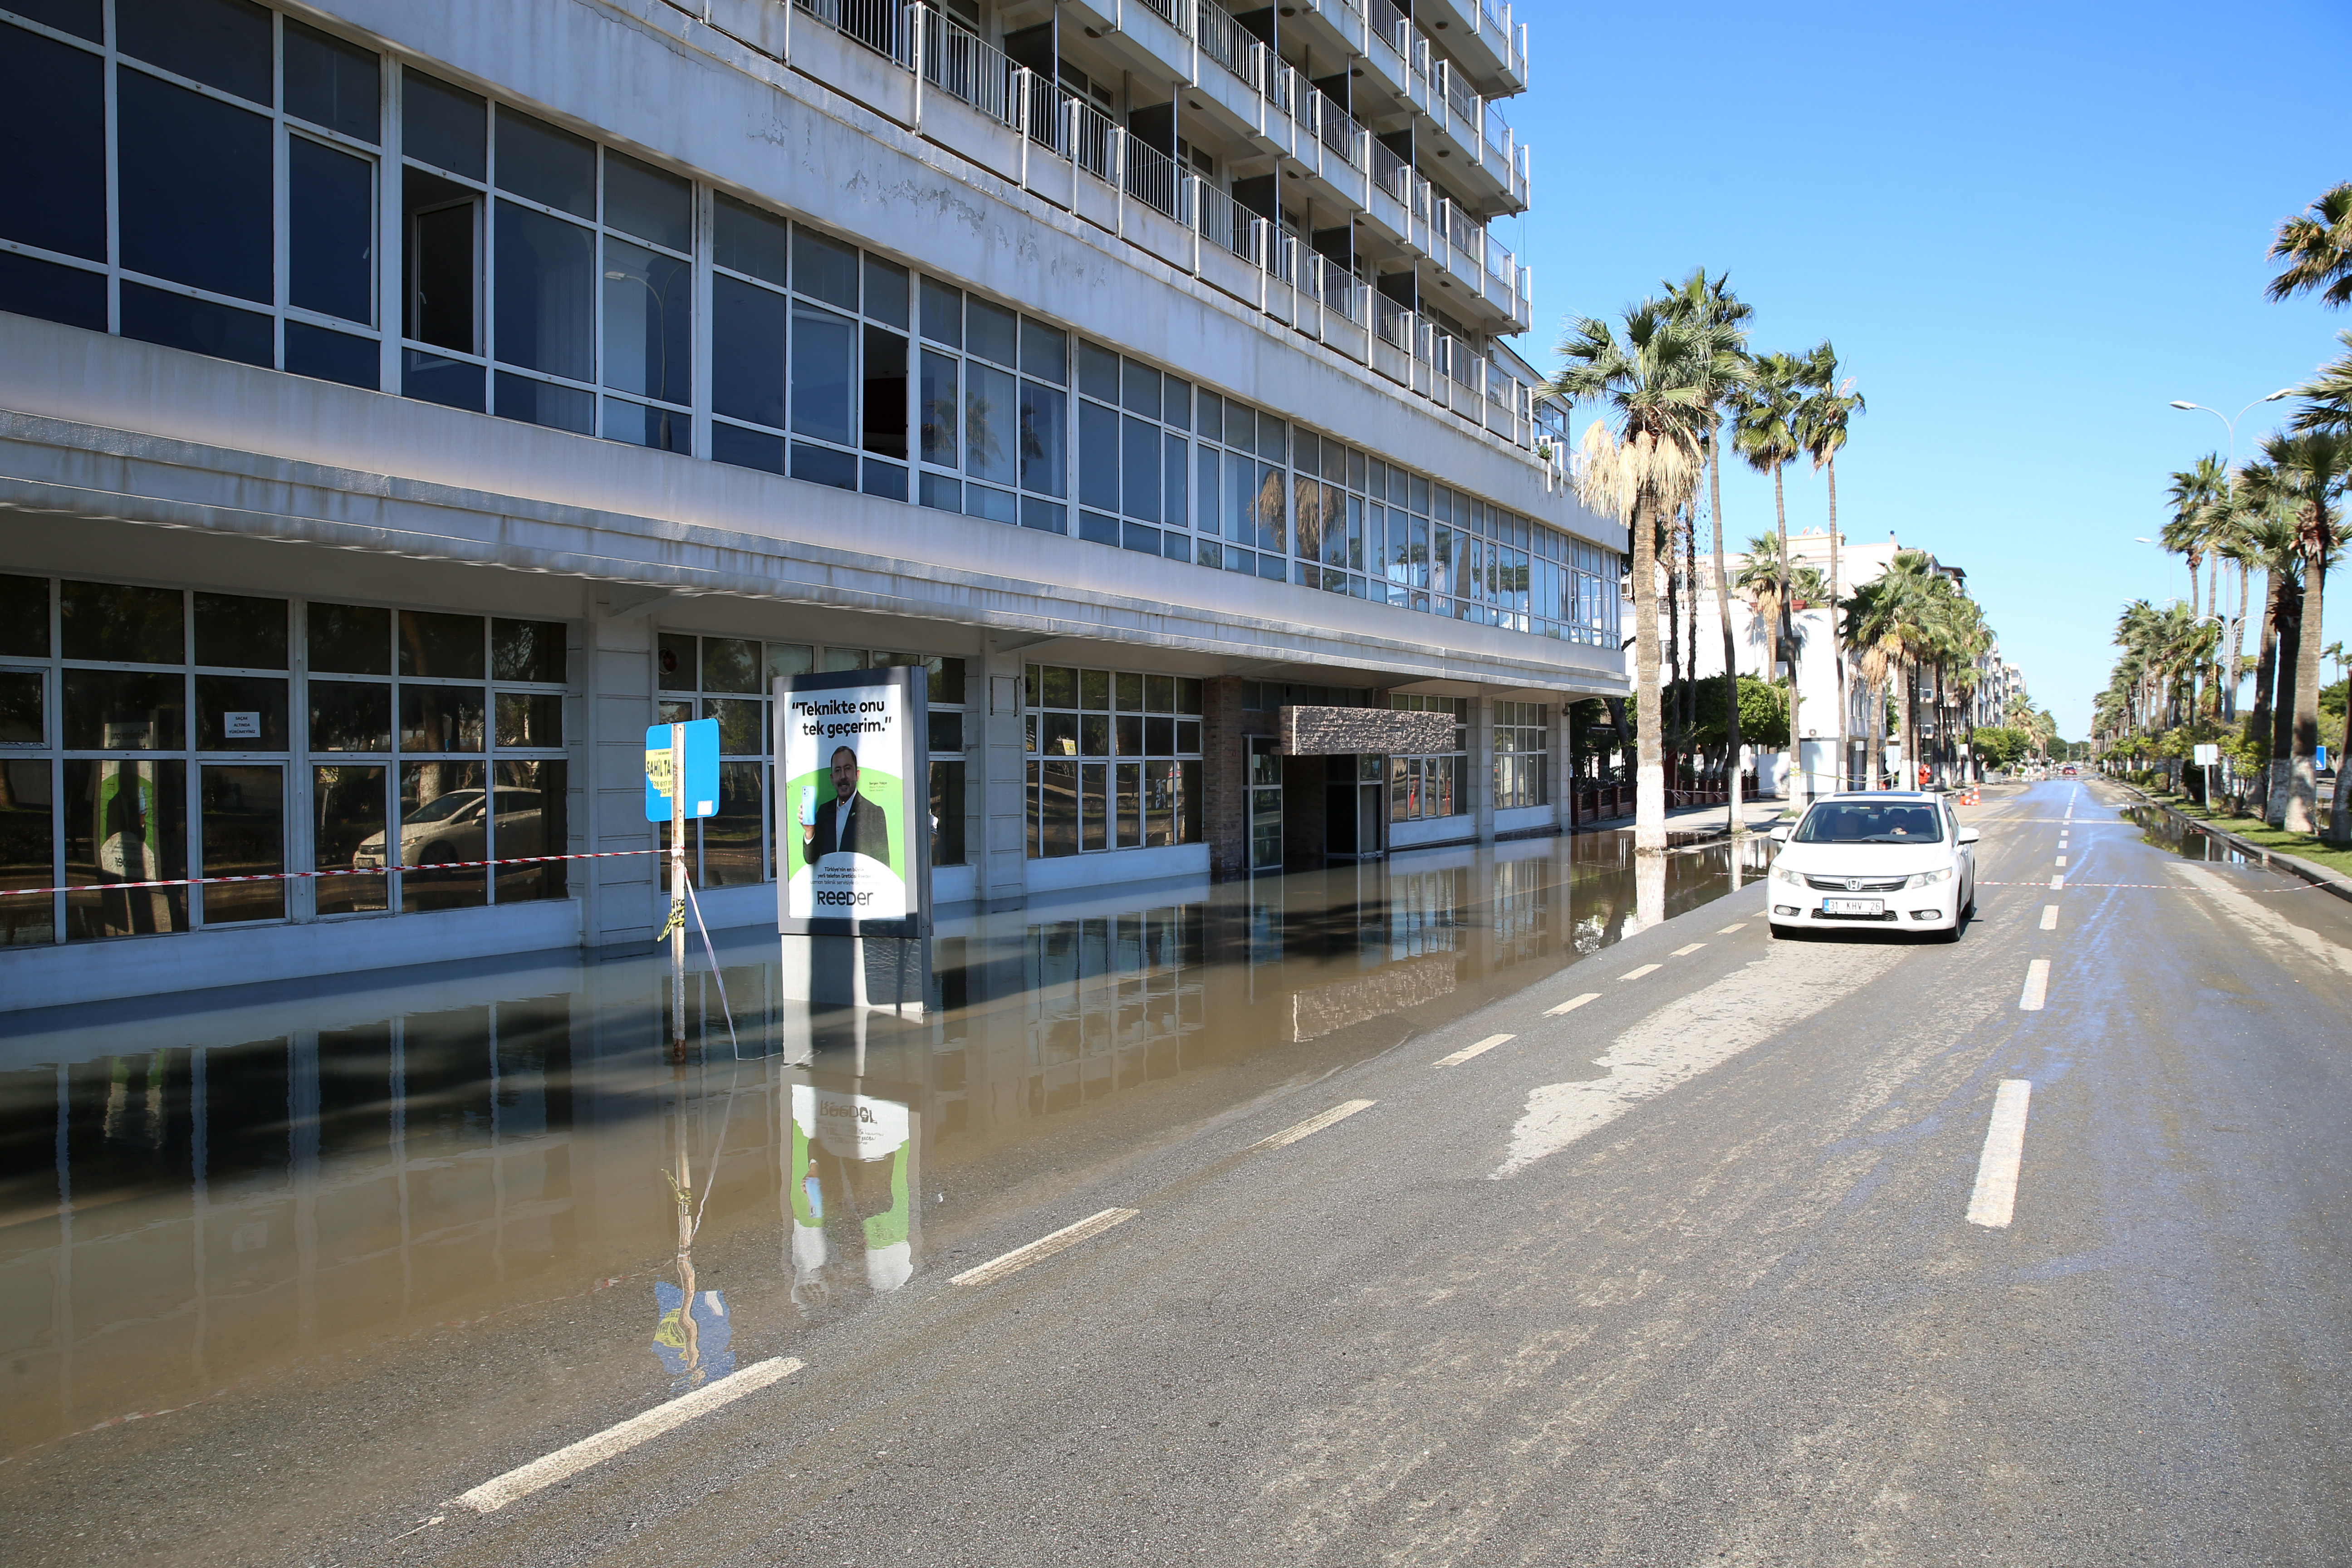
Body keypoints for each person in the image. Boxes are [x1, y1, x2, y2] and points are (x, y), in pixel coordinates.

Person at [805, 744, 891, 866]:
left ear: (857, 775)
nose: (843, 776)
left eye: (848, 769)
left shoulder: (873, 813)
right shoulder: (824, 812)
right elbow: (811, 859)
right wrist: (809, 832)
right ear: (832, 778)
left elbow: (883, 866)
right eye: (838, 771)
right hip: (830, 885)